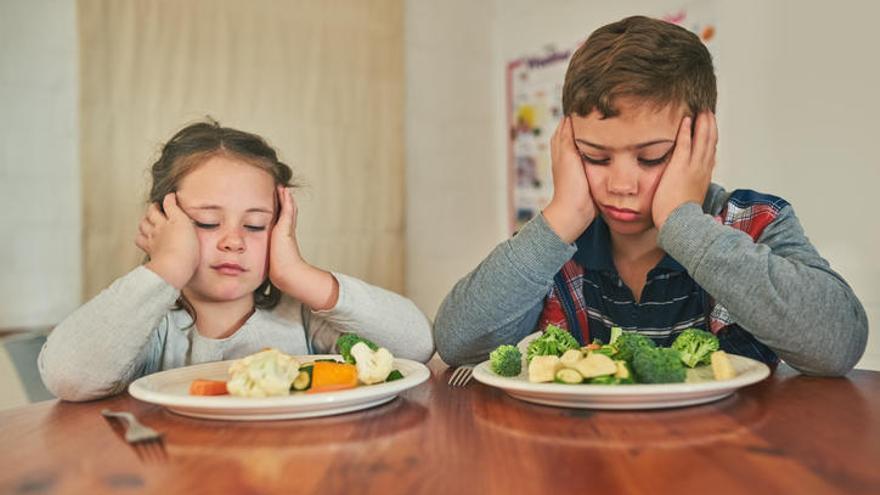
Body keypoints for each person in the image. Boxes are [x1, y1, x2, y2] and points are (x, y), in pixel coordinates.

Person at [433, 15, 867, 376]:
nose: (621, 185)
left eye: (652, 157)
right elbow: (457, 343)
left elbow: (839, 344)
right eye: (595, 157)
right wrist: (560, 219)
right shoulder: (554, 246)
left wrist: (683, 223)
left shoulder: (754, 221)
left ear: (703, 142)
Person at [40, 120, 434, 401]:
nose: (233, 242)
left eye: (257, 225)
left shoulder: (301, 318)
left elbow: (415, 345)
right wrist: (166, 268)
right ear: (162, 222)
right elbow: (68, 377)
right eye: (208, 222)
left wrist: (298, 274)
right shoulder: (149, 329)